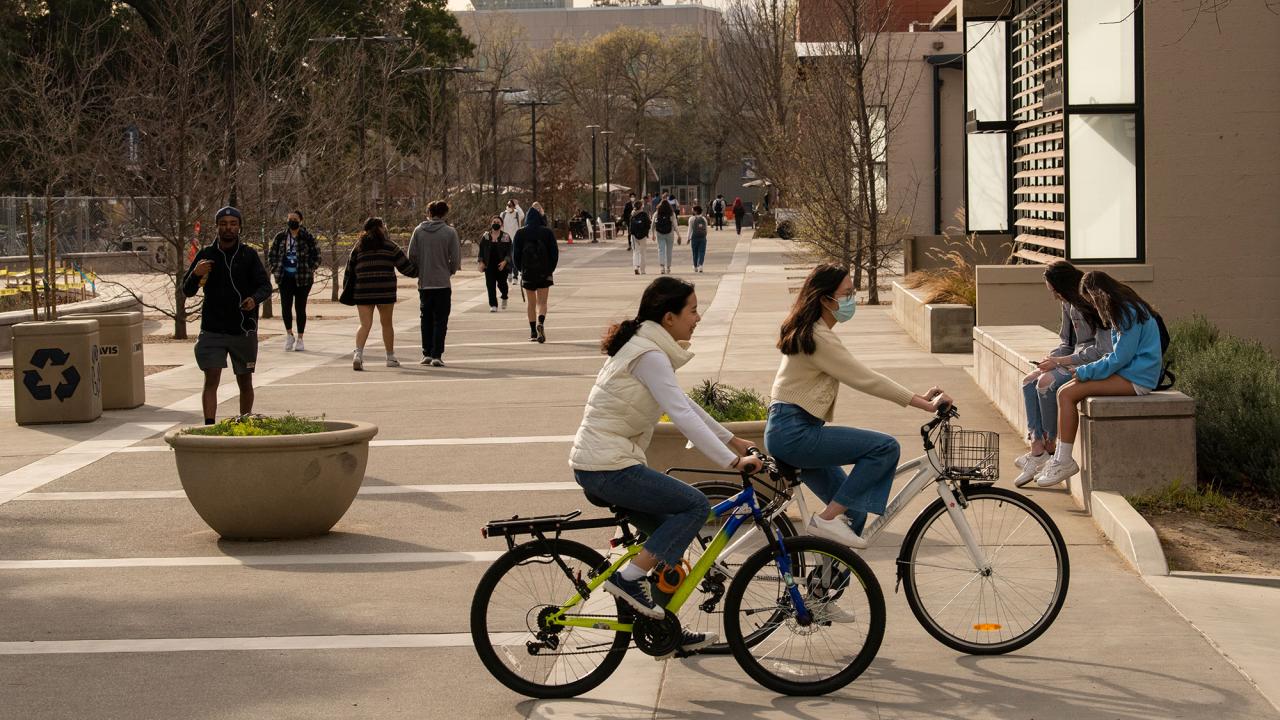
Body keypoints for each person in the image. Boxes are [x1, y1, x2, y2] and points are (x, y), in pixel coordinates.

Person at [569, 276, 763, 645]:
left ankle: (661, 630)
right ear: (669, 316)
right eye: (692, 310)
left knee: (668, 541)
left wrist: (733, 440)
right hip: (608, 467)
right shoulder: (649, 354)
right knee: (692, 506)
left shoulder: (643, 348)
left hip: (602, 463)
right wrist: (731, 462)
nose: (698, 317)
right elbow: (681, 415)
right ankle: (626, 579)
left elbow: (684, 404)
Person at [764, 264, 951, 548]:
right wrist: (922, 404)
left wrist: (919, 398)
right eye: (847, 294)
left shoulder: (812, 330)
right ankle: (826, 521)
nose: (852, 300)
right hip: (794, 432)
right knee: (884, 448)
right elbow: (865, 378)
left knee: (854, 511)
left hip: (789, 429)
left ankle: (823, 587)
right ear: (826, 299)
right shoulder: (818, 336)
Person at [1035, 271, 1164, 488]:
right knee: (1064, 391)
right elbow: (1116, 356)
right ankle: (1060, 457)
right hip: (1130, 372)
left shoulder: (1127, 312)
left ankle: (1064, 460)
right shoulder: (1126, 308)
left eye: (1091, 300)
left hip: (1137, 378)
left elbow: (1120, 357)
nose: (1092, 306)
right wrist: (1087, 369)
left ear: (1099, 294)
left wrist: (1086, 371)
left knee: (1066, 393)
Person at [1013, 261, 1112, 487]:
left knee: (1045, 383)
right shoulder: (1068, 304)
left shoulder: (1092, 303)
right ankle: (1037, 449)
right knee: (1029, 381)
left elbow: (1103, 350)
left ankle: (1050, 446)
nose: (1054, 296)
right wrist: (1051, 359)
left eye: (1055, 291)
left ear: (1064, 286)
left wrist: (1060, 362)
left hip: (1092, 363)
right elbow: (1067, 343)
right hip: (1071, 359)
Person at [181, 206, 272, 425]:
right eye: (223, 224)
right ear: (217, 227)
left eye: (233, 223)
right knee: (211, 378)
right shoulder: (206, 256)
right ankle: (209, 425)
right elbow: (187, 290)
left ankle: (244, 422)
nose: (228, 228)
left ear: (239, 226)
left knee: (245, 380)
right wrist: (196, 274)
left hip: (243, 329)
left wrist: (254, 299)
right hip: (213, 328)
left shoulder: (248, 255)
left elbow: (265, 286)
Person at [348, 217, 418, 371]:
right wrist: (420, 271)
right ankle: (390, 357)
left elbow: (350, 270)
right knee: (386, 324)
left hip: (363, 291)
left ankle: (358, 354)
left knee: (365, 324)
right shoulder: (390, 246)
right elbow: (405, 267)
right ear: (380, 228)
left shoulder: (358, 248)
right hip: (385, 290)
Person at [408, 200, 462, 367]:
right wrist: (449, 271)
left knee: (425, 319)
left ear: (429, 213)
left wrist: (421, 270)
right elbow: (456, 258)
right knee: (441, 319)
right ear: (445, 213)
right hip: (442, 283)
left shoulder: (418, 231)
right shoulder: (450, 232)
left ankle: (426, 353)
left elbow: (411, 255)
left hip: (425, 282)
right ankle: (437, 354)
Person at [267, 209, 320, 352]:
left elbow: (317, 254)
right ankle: (289, 334)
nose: (292, 221)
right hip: (285, 277)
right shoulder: (280, 237)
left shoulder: (307, 237)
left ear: (300, 221)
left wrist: (310, 268)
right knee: (286, 307)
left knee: (300, 308)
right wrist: (274, 268)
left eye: (295, 219)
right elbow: (271, 254)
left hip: (303, 278)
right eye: (290, 218)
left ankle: (300, 338)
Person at [514, 205, 558, 344]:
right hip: (544, 272)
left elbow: (515, 254)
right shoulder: (547, 232)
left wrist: (521, 269)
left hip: (528, 272)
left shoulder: (520, 233)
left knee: (531, 303)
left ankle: (533, 332)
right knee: (543, 302)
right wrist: (550, 268)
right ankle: (541, 321)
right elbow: (554, 253)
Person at [478, 214, 512, 312]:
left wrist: (505, 262)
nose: (496, 224)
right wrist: (481, 262)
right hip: (489, 265)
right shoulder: (486, 236)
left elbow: (510, 251)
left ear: (501, 224)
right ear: (491, 223)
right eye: (494, 222)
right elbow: (481, 250)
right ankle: (493, 305)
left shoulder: (505, 236)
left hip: (502, 265)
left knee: (502, 284)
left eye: (498, 222)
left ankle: (504, 296)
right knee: (490, 285)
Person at [653, 200, 680, 275]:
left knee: (661, 250)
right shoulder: (671, 214)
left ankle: (662, 267)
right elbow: (675, 225)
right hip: (670, 233)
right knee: (669, 251)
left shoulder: (657, 213)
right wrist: (678, 234)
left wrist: (652, 234)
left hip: (659, 233)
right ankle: (668, 267)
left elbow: (653, 224)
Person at [629, 200, 651, 275]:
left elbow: (630, 227)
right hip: (643, 236)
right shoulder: (644, 214)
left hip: (634, 235)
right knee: (643, 253)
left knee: (636, 252)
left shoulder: (632, 215)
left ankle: (636, 267)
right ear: (641, 206)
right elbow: (648, 224)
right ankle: (643, 270)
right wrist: (646, 232)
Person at [687, 205, 709, 273]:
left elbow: (690, 229)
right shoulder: (704, 219)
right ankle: (701, 266)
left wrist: (688, 238)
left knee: (695, 252)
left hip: (694, 237)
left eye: (693, 210)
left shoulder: (691, 219)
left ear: (696, 211)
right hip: (702, 237)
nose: (692, 211)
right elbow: (706, 229)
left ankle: (695, 266)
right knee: (702, 252)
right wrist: (704, 235)